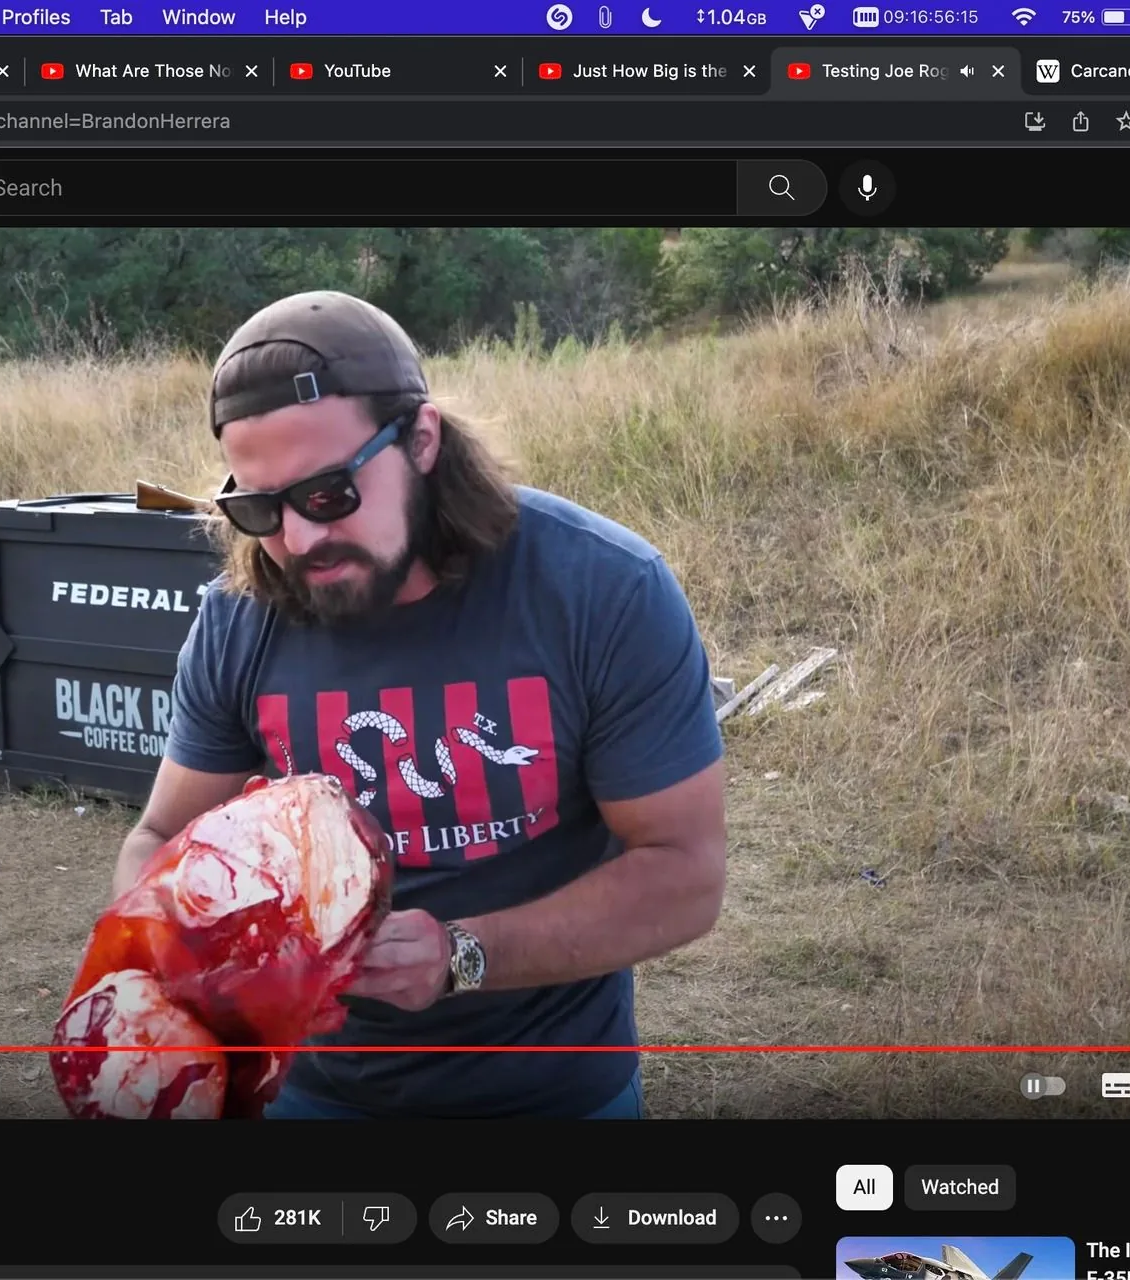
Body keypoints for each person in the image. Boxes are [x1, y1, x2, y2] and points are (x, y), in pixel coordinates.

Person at [110, 290, 728, 1119]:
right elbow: (159, 839)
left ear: (422, 440)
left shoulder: (600, 593)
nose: (296, 540)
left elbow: (685, 873)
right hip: (306, 1093)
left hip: (549, 1094)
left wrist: (463, 955)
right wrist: (183, 967)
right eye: (258, 509)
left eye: (328, 495)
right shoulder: (241, 617)